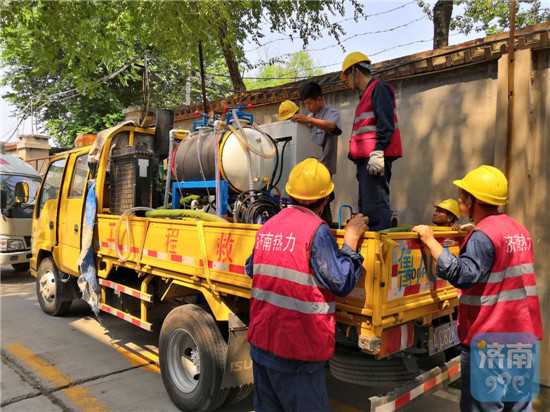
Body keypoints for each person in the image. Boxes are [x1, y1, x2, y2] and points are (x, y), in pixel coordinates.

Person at [412, 165, 543, 412]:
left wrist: (430, 240)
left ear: (473, 200)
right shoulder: (518, 230)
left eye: (463, 195)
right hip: (522, 338)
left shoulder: (483, 235)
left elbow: (462, 274)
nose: (460, 199)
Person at [246, 158, 368, 412]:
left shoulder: (268, 227)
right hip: (297, 352)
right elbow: (341, 282)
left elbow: (250, 268)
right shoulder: (316, 231)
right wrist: (351, 241)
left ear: (290, 194)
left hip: (262, 345)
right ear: (325, 200)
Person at [341, 51, 403, 231]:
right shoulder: (367, 94)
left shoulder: (379, 89)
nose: (346, 82)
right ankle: (372, 241)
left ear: (355, 70)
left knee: (375, 207)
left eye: (346, 76)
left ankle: (380, 240)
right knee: (368, 208)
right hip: (366, 160)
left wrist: (378, 151)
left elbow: (386, 123)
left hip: (374, 158)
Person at [290, 82, 342, 225]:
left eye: (309, 103)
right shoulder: (311, 116)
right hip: (308, 172)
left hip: (323, 170)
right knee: (307, 206)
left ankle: (325, 230)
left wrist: (308, 119)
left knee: (323, 205)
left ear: (319, 99)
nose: (308, 107)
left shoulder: (332, 114)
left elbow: (333, 127)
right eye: (305, 104)